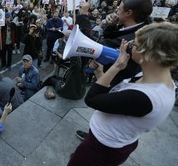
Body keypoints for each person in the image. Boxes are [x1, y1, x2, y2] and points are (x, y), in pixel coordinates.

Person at [68, 22, 177, 166]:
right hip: (110, 143)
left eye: (135, 45)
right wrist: (100, 72)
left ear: (149, 55)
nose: (129, 46)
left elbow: (92, 99)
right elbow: (113, 97)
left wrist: (116, 66)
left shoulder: (145, 98)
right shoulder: (155, 79)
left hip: (101, 149)